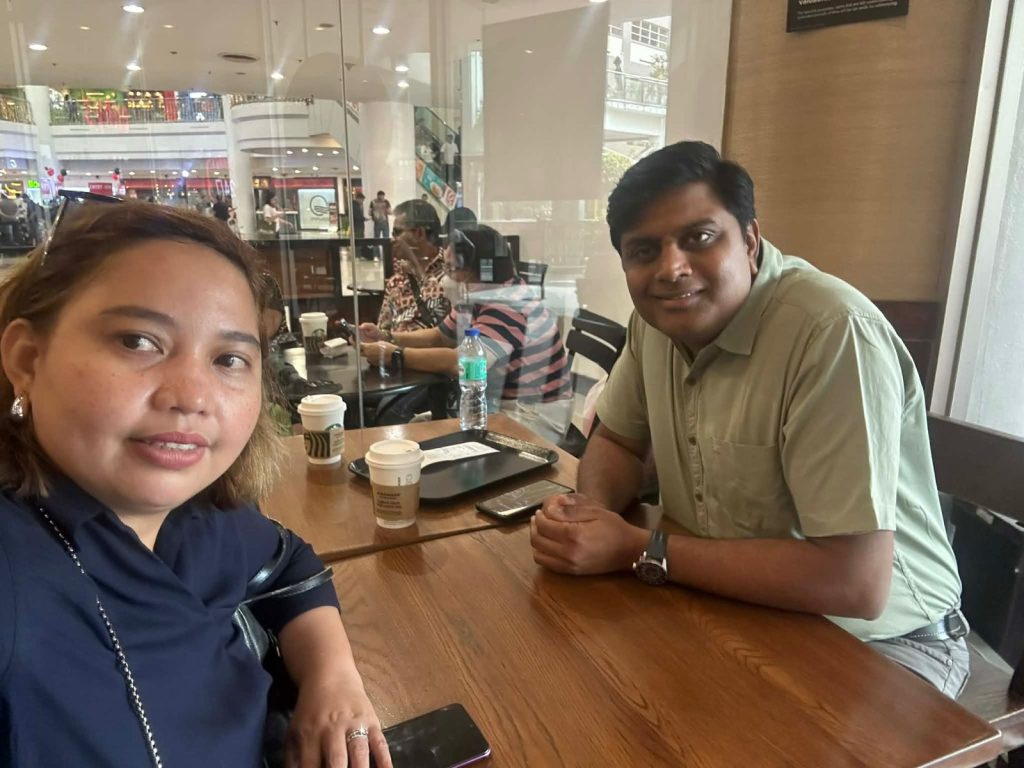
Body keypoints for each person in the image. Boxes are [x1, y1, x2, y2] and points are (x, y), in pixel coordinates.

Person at [529, 141, 969, 698]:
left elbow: (855, 582)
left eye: (699, 237)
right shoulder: (655, 326)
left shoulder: (831, 334)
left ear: (750, 241)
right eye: (644, 250)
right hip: (733, 604)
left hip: (884, 643)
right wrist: (588, 517)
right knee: (570, 690)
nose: (671, 269)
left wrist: (637, 548)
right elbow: (617, 440)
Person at [0, 201, 392, 766]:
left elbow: (290, 565)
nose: (191, 396)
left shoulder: (200, 517)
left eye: (229, 359)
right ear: (27, 359)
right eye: (138, 341)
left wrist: (334, 679)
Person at [359, 224, 572, 444]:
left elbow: (462, 364)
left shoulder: (508, 303)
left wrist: (394, 355)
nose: (445, 277)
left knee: (422, 438)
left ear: (478, 268)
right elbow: (440, 336)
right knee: (414, 429)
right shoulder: (477, 294)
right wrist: (387, 337)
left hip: (531, 413)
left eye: (452, 268)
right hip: (495, 401)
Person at [375, 198, 450, 334]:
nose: (393, 239)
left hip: (433, 346)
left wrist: (414, 261)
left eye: (397, 232)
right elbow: (383, 328)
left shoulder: (451, 268)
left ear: (419, 233)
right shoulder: (397, 279)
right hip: (395, 346)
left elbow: (438, 311)